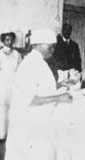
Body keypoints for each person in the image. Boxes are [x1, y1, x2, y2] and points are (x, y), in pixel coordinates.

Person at [5, 29, 73, 160]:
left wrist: (59, 85)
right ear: (38, 44)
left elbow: (41, 88)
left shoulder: (40, 62)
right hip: (29, 124)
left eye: (54, 46)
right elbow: (29, 99)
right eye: (50, 46)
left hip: (39, 121)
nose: (52, 50)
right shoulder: (30, 64)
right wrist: (58, 97)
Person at [0, 27, 22, 160]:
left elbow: (19, 71)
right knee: (1, 113)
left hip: (13, 87)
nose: (9, 41)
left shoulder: (17, 54)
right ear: (3, 40)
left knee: (12, 111)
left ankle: (10, 137)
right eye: (6, 39)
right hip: (2, 86)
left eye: (11, 39)